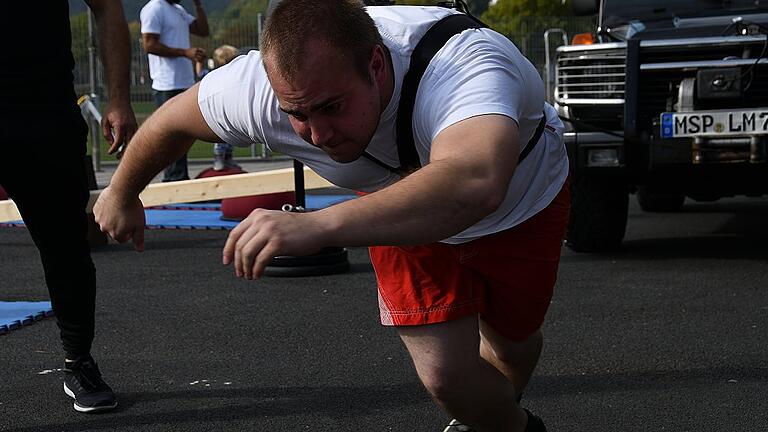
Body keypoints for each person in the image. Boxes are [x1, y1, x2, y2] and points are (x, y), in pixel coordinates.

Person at [94, 1, 570, 430]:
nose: (317, 134)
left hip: (519, 204)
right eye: (298, 113)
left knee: (511, 344)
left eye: (331, 108)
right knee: (448, 378)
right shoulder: (256, 91)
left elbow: (473, 180)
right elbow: (170, 121)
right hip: (396, 210)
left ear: (377, 64)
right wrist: (121, 192)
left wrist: (319, 225)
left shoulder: (465, 63)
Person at [0, 1, 137, 413]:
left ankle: (78, 362)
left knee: (65, 249)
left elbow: (108, 9)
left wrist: (118, 98)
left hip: (43, 109)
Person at [140, 0, 209, 181]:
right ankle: (172, 181)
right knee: (169, 138)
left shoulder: (178, 9)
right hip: (166, 84)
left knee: (183, 138)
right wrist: (185, 53)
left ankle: (179, 179)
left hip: (183, 82)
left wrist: (199, 5)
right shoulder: (154, 8)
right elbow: (149, 45)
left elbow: (202, 30)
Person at [195, 44, 242, 171]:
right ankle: (219, 158)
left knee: (231, 135)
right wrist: (199, 61)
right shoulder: (215, 75)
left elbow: (200, 73)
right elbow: (201, 74)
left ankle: (228, 158)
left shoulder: (233, 76)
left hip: (230, 109)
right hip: (219, 110)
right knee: (221, 135)